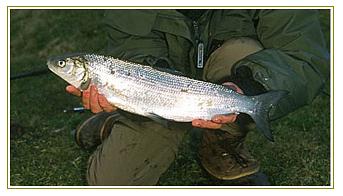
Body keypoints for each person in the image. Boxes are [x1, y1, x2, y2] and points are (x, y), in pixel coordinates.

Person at [66, 9, 329, 185]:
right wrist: (125, 94)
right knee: (110, 182)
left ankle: (221, 142)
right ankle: (120, 117)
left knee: (243, 51)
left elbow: (305, 56)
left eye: (65, 65)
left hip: (231, 71)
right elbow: (133, 51)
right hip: (161, 92)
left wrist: (248, 87)